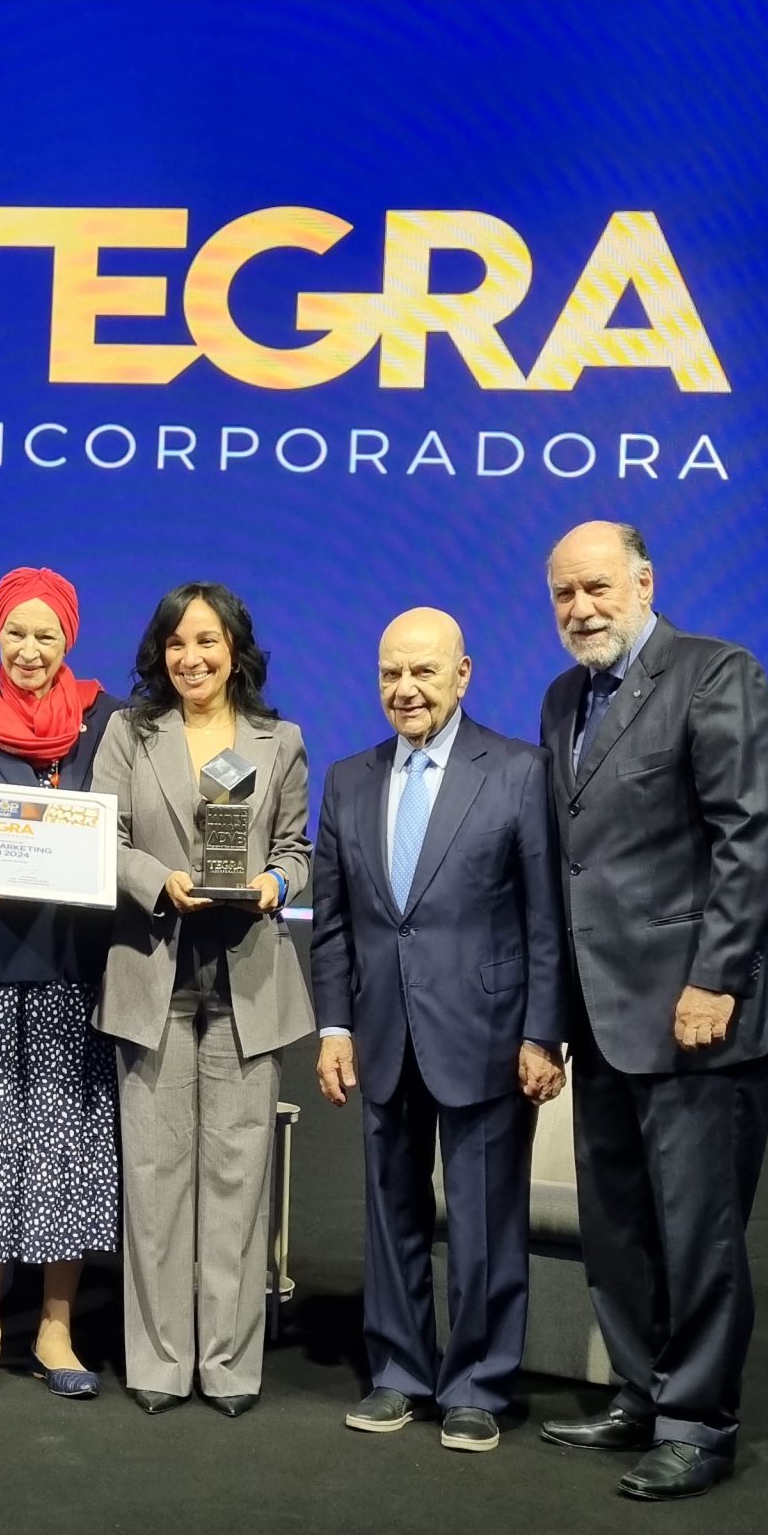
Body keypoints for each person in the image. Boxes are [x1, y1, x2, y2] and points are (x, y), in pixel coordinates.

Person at [538, 521, 768, 1500]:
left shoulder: (715, 673)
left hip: (698, 1015)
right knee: (618, 1229)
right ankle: (639, 1395)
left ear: (643, 582)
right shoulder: (562, 698)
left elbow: (750, 837)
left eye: (596, 587)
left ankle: (696, 1424)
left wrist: (715, 977)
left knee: (696, 1235)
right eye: (563, 594)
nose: (580, 609)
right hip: (602, 1020)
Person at [310, 609, 568, 1454]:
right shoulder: (347, 780)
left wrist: (541, 1033)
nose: (405, 689)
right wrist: (334, 1026)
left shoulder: (519, 771)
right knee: (390, 1215)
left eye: (422, 671)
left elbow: (544, 917)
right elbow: (333, 926)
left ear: (462, 674)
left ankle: (477, 1386)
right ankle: (397, 1374)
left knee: (486, 1221)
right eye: (390, 673)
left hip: (487, 1035)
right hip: (381, 1033)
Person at [93, 583, 313, 1415]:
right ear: (160, 653)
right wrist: (158, 879)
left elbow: (297, 848)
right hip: (151, 979)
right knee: (153, 1183)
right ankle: (157, 1364)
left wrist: (274, 882)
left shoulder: (279, 740)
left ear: (234, 651)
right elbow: (104, 837)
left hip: (245, 987)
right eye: (177, 643)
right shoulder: (129, 731)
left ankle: (226, 1365)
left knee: (236, 1181)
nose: (192, 658)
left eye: (208, 642)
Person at [0, 567, 120, 1398]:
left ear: (67, 639)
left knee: (62, 1149)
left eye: (46, 635)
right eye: (16, 633)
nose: (30, 650)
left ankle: (55, 1327)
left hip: (74, 965)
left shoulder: (103, 719)